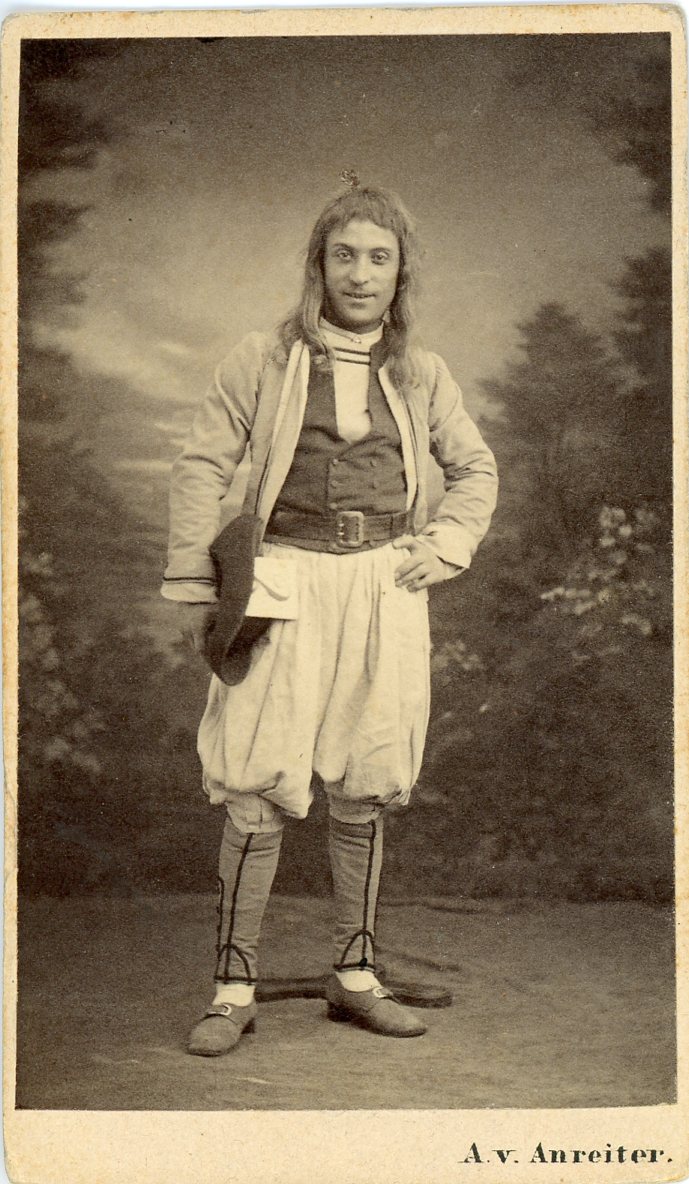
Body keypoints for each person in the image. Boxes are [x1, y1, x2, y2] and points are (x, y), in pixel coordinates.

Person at [162, 183, 498, 1056]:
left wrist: (446, 544)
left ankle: (354, 976)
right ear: (318, 264)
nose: (360, 273)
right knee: (256, 782)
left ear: (400, 273)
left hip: (384, 585)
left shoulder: (421, 373)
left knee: (367, 777)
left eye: (378, 257)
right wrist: (197, 582)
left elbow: (474, 470)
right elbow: (202, 465)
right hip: (282, 578)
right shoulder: (262, 360)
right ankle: (233, 988)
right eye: (343, 254)